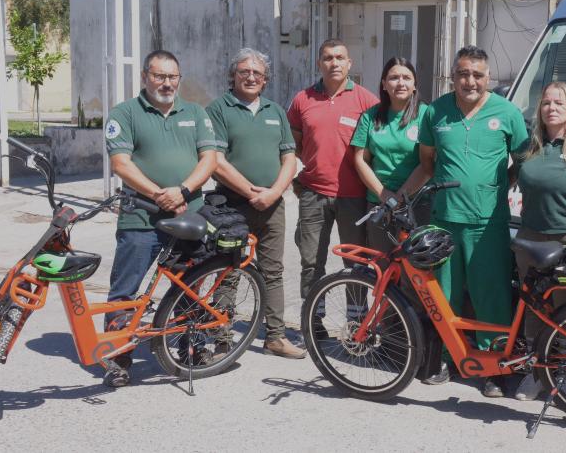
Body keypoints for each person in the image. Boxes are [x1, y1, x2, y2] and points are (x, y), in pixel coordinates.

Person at [400, 46, 529, 397]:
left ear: (488, 78)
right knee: (444, 295)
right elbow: (426, 164)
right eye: (463, 73)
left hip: (488, 222)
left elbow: (523, 159)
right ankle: (445, 358)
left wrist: (497, 186)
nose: (469, 80)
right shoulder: (436, 112)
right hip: (444, 220)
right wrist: (400, 197)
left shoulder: (507, 113)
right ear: (452, 76)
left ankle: (493, 367)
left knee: (492, 295)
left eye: (477, 74)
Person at [103, 50, 219, 387]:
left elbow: (209, 159)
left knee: (189, 284)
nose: (166, 83)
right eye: (159, 76)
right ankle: (118, 358)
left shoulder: (195, 112)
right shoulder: (125, 113)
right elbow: (121, 164)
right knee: (126, 290)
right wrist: (158, 194)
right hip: (140, 217)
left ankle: (190, 347)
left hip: (189, 214)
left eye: (172, 77)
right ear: (144, 77)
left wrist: (182, 191)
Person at [207, 48, 304, 359]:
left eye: (257, 73)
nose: (251, 77)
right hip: (232, 203)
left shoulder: (276, 111)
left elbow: (290, 157)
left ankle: (275, 336)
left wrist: (274, 192)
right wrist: (252, 192)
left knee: (273, 270)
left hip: (273, 204)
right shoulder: (218, 109)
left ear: (266, 80)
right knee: (229, 269)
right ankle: (222, 337)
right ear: (233, 75)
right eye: (244, 71)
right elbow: (216, 161)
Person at [512, 82, 566, 401]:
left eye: (559, 103)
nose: (551, 107)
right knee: (535, 307)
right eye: (546, 102)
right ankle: (536, 373)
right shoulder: (527, 146)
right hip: (530, 239)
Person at [288, 39, 379, 300]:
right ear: (319, 63)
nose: (334, 63)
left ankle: (355, 322)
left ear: (349, 63)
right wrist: (303, 173)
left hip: (354, 197)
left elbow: (378, 147)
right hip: (313, 194)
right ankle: (313, 322)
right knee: (311, 263)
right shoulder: (302, 100)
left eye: (340, 57)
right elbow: (292, 144)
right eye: (328, 58)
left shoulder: (366, 100)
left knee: (356, 263)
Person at [351, 57, 430, 252]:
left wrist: (400, 196)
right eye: (394, 78)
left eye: (406, 78)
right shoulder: (370, 116)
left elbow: (428, 163)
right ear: (384, 85)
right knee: (384, 265)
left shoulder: (427, 115)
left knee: (416, 270)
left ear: (414, 85)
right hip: (379, 205)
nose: (401, 83)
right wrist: (385, 195)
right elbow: (360, 159)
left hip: (418, 203)